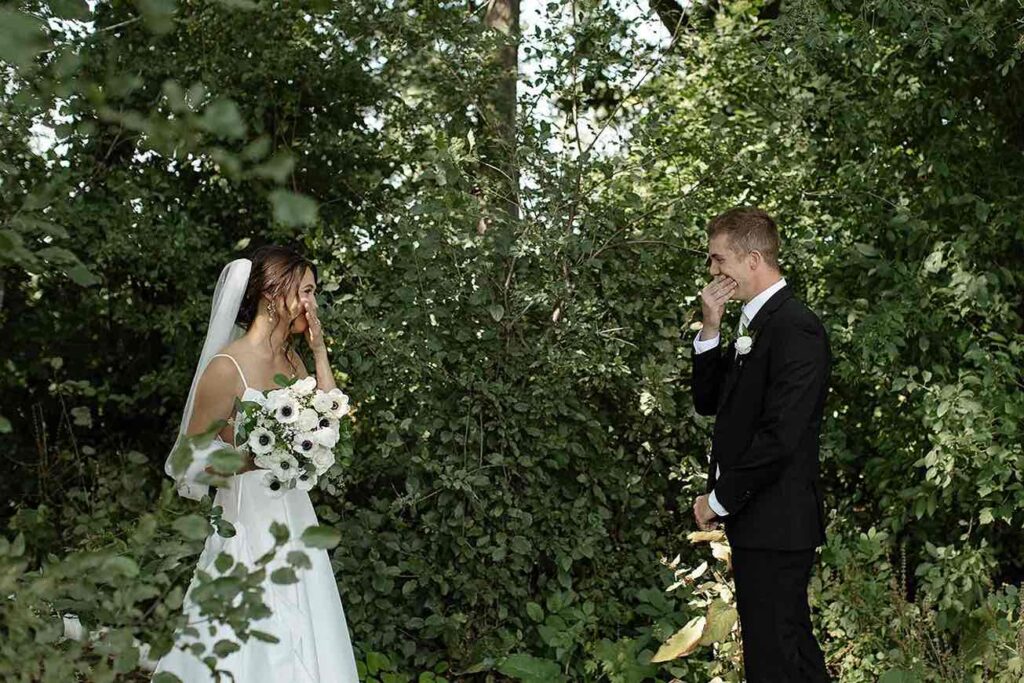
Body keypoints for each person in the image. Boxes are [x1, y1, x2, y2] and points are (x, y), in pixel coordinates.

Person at [155, 245, 359, 682]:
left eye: (314, 292)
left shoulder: (292, 359)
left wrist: (319, 351)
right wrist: (249, 460)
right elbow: (187, 463)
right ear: (272, 294)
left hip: (297, 520)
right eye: (306, 291)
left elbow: (329, 419)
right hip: (246, 523)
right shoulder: (227, 367)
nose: (313, 303)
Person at [690, 207, 831, 682]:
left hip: (778, 521)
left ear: (752, 259)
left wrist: (719, 498)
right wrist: (711, 327)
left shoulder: (796, 328)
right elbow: (710, 402)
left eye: (718, 259)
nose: (713, 271)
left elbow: (780, 439)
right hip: (761, 522)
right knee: (790, 651)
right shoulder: (754, 324)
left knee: (774, 660)